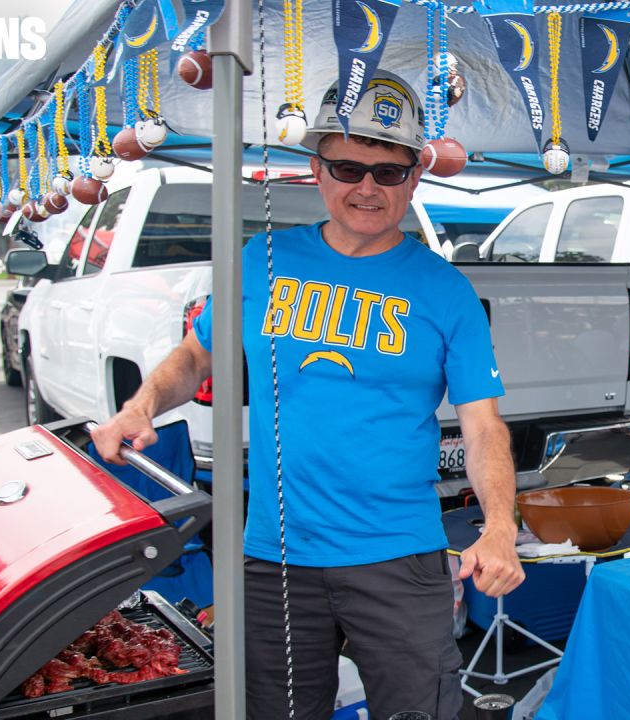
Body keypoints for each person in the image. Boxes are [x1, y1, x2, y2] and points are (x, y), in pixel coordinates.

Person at [92, 70, 524, 720]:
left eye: (389, 171)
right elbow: (195, 354)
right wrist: (141, 405)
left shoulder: (445, 291)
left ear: (413, 179)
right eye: (348, 167)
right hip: (276, 558)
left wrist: (498, 528)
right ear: (317, 170)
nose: (367, 188)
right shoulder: (262, 259)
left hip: (398, 558)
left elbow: (484, 425)